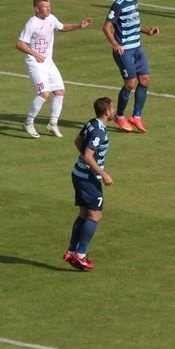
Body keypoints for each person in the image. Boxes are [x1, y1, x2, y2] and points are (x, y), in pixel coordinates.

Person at [15, 0, 93, 139]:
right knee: (44, 93)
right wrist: (35, 54)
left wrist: (79, 25)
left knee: (60, 91)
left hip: (48, 62)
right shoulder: (32, 23)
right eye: (45, 6)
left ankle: (52, 123)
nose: (48, 9)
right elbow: (20, 44)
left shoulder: (51, 18)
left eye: (49, 6)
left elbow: (62, 27)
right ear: (37, 8)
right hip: (34, 63)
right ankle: (28, 122)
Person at [102, 0, 159, 133]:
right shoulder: (118, 5)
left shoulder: (134, 1)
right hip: (124, 51)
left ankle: (136, 117)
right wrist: (115, 44)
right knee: (130, 83)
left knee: (145, 80)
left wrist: (148, 31)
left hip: (137, 48)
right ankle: (119, 116)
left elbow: (134, 23)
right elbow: (106, 27)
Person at [63, 96, 115, 271]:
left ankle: (71, 251)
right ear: (107, 112)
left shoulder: (91, 123)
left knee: (84, 214)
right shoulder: (99, 131)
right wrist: (102, 173)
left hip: (78, 173)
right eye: (112, 108)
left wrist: (87, 160)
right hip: (88, 178)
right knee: (95, 216)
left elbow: (77, 141)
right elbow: (87, 155)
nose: (114, 110)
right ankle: (81, 255)